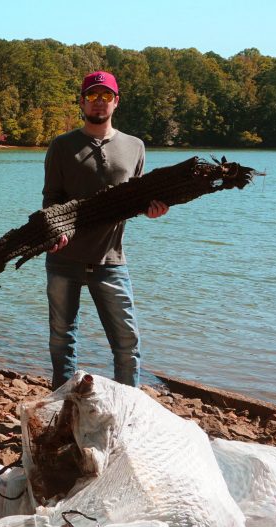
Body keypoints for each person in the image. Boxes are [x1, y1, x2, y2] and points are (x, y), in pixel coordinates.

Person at [42, 71, 168, 390]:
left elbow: (135, 198)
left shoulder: (135, 146)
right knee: (62, 344)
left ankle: (127, 413)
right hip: (64, 260)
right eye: (93, 96)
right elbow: (51, 200)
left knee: (127, 345)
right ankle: (62, 408)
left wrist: (151, 209)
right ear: (82, 101)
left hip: (111, 262)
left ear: (116, 101)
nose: (99, 103)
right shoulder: (61, 146)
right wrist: (56, 230)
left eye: (106, 96)